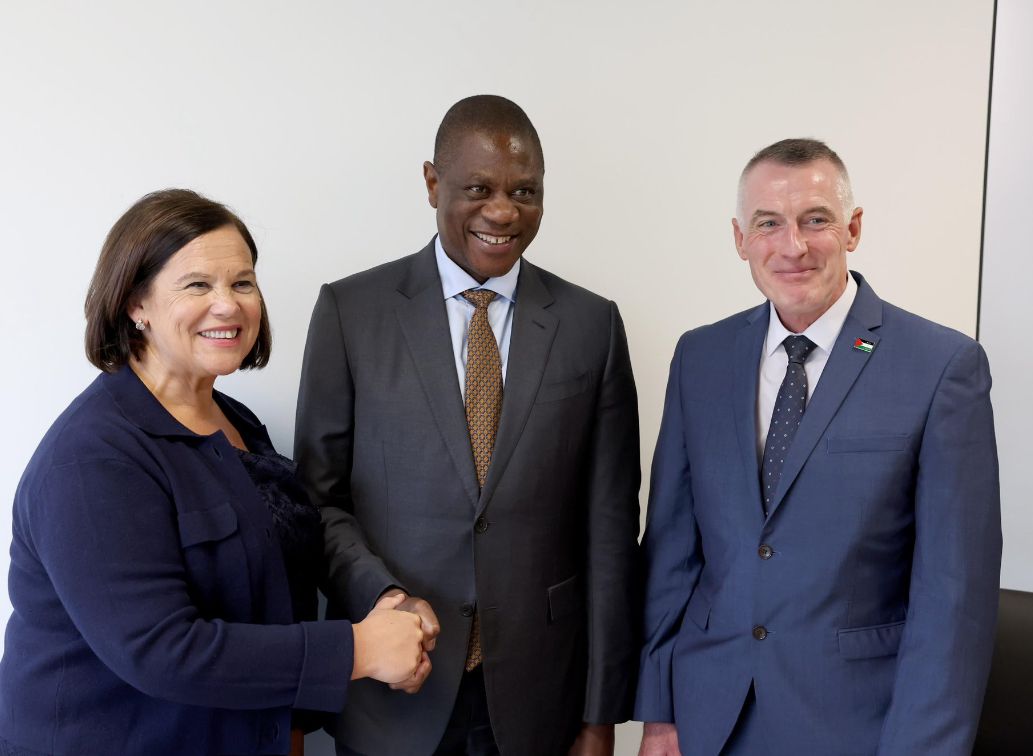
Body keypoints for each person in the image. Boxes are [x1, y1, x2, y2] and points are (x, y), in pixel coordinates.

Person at [0, 189, 426, 756]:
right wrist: (359, 650)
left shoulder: (234, 422)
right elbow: (162, 650)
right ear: (135, 304)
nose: (228, 305)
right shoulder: (92, 460)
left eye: (243, 283)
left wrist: (385, 597)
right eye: (197, 285)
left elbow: (294, 538)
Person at [295, 95, 641, 756]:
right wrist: (383, 594)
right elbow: (318, 500)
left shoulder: (591, 326)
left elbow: (608, 534)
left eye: (524, 191)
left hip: (542, 702)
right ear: (432, 183)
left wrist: (600, 717)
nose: (502, 211)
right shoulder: (352, 312)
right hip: (393, 693)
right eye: (477, 188)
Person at [635, 139, 1002, 756]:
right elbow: (673, 551)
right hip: (707, 719)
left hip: (859, 728)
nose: (793, 246)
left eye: (816, 220)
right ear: (739, 238)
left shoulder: (942, 367)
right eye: (768, 224)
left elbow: (954, 598)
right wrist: (660, 714)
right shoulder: (700, 358)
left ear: (853, 228)